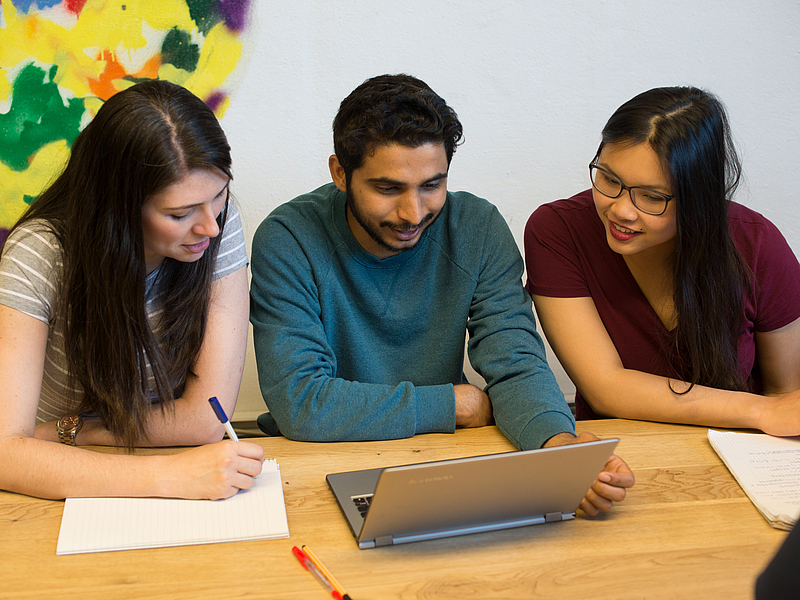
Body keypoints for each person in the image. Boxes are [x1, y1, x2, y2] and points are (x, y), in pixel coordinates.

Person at [250, 74, 632, 515]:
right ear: (340, 172)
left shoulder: (478, 227)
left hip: (440, 459)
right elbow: (301, 402)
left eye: (432, 185)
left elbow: (517, 366)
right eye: (388, 188)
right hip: (320, 463)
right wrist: (452, 403)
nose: (413, 212)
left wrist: (561, 451)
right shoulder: (288, 237)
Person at [0, 80, 264, 500]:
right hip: (66, 484)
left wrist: (75, 432)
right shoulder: (40, 254)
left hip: (93, 452)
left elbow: (204, 420)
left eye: (219, 195)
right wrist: (171, 476)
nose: (210, 227)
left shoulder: (215, 222)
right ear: (117, 207)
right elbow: (6, 454)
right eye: (178, 214)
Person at [524, 86, 800, 433]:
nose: (621, 210)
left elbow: (786, 397)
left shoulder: (756, 243)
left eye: (652, 197)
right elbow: (605, 388)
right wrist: (759, 412)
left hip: (741, 450)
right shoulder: (557, 231)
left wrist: (766, 414)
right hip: (621, 456)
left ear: (699, 199)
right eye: (609, 178)